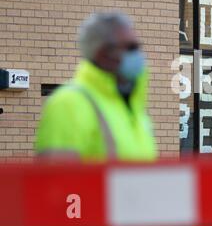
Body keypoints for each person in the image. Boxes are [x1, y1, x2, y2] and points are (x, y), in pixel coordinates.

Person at [36, 11, 158, 161]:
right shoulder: (68, 103)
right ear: (103, 53)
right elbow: (55, 180)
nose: (138, 55)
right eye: (131, 48)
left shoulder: (130, 105)